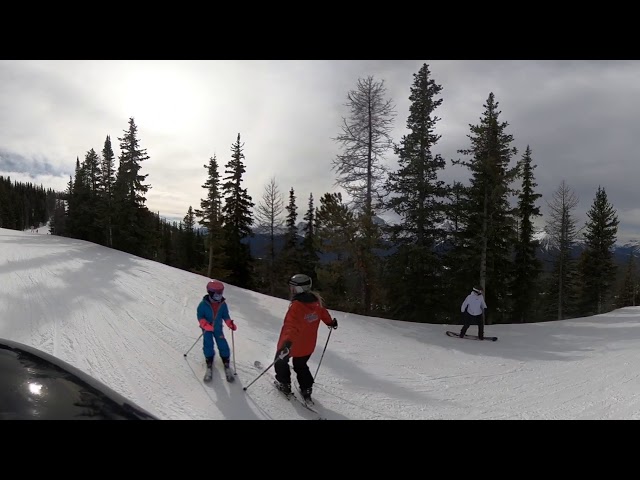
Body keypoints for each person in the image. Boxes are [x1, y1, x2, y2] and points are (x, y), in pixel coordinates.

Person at [273, 273, 337, 402]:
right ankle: (306, 388)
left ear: (300, 289)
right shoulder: (316, 302)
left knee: (280, 361)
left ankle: (284, 384)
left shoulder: (297, 306)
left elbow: (291, 326)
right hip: (308, 346)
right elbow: (324, 314)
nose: (291, 290)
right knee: (300, 365)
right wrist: (330, 322)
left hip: (291, 344)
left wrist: (286, 343)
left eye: (293, 288)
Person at [196, 280, 237, 382]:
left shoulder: (222, 304)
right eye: (217, 294)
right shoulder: (203, 305)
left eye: (220, 294)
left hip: (218, 328)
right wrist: (204, 324)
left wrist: (229, 323)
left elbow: (225, 316)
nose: (219, 296)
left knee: (222, 343)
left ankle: (226, 361)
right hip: (207, 329)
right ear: (210, 293)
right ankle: (209, 362)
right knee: (208, 344)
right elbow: (200, 316)